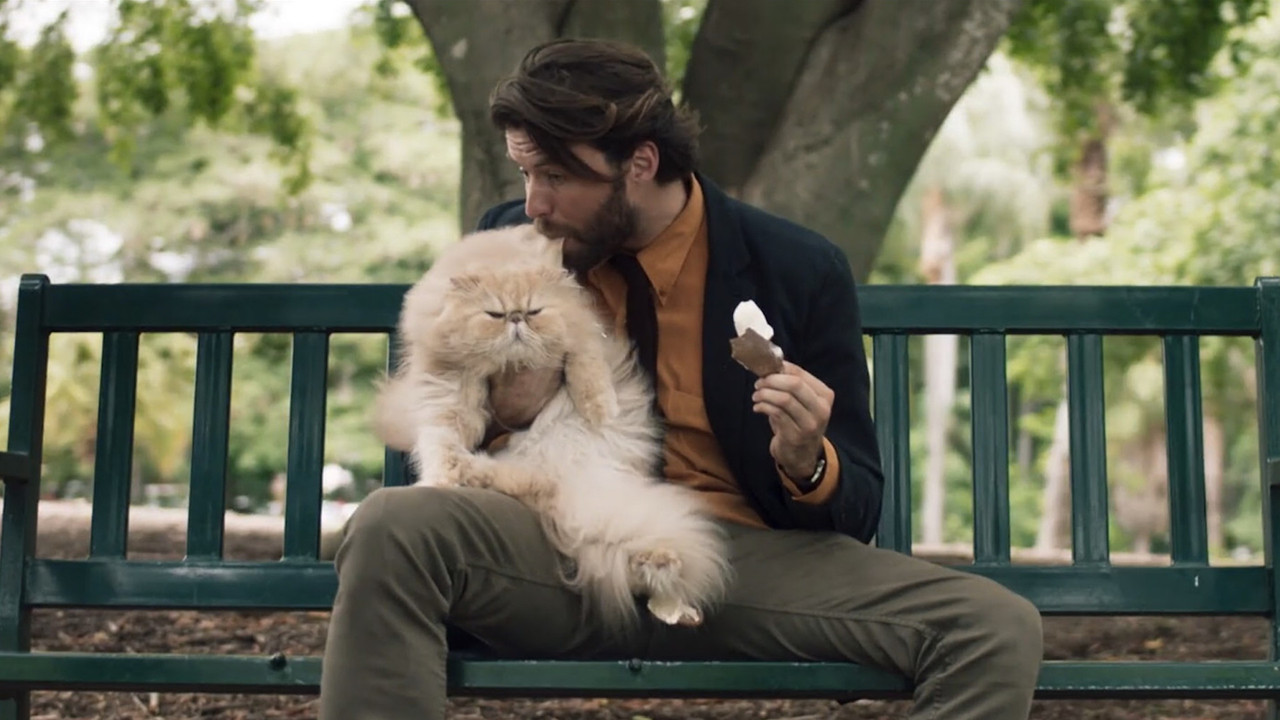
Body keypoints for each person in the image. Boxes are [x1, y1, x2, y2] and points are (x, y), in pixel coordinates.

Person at [319, 38, 1043, 720]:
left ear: (639, 162)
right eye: (525, 174)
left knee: (992, 626)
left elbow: (853, 512)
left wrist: (807, 459)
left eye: (558, 176)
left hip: (741, 563)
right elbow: (437, 414)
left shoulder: (795, 266)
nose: (534, 203)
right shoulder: (515, 242)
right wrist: (503, 409)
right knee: (392, 523)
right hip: (555, 549)